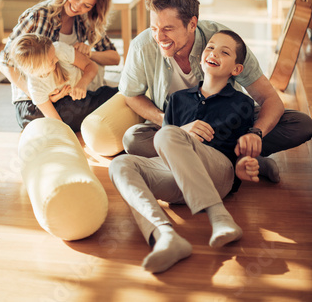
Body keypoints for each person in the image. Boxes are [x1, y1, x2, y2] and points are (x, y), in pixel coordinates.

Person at [119, 0, 312, 181]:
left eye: (168, 29)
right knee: (133, 139)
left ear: (192, 24)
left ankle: (200, 162)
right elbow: (131, 95)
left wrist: (255, 133)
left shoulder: (224, 41)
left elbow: (270, 98)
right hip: (176, 125)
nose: (159, 37)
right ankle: (242, 163)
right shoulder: (142, 47)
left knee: (301, 124)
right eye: (154, 28)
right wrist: (173, 127)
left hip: (226, 123)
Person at [109, 29, 260, 274]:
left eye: (225, 52)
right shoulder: (177, 99)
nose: (214, 53)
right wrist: (182, 132)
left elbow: (240, 148)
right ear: (201, 57)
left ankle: (219, 216)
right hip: (176, 177)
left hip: (217, 174)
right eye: (210, 47)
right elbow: (166, 144)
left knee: (167, 133)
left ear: (236, 70)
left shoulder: (241, 103)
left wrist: (244, 164)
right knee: (120, 164)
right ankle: (165, 236)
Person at [0, 0, 120, 132]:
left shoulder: (85, 21)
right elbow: (4, 62)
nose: (77, 6)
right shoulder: (38, 16)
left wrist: (89, 53)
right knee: (106, 102)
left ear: (94, 7)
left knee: (84, 104)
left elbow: (114, 58)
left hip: (67, 95)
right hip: (33, 101)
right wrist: (39, 96)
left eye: (86, 5)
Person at [9, 33, 111, 123]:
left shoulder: (59, 49)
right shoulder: (35, 88)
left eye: (54, 55)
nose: (57, 59)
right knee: (65, 114)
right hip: (71, 99)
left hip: (92, 84)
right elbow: (56, 120)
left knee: (107, 98)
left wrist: (82, 84)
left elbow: (92, 66)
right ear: (34, 70)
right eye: (52, 61)